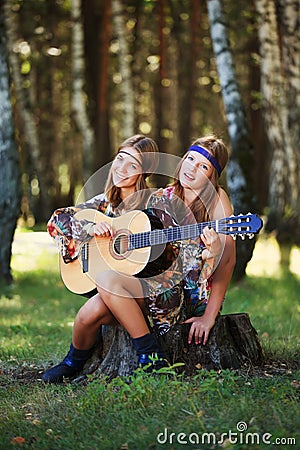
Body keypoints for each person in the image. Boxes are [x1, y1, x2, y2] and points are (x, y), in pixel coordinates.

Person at [42, 134, 164, 383]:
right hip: (114, 290)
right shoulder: (104, 203)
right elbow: (57, 221)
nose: (122, 169)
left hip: (149, 290)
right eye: (120, 159)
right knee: (88, 314)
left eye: (133, 165)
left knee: (108, 280)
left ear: (145, 172)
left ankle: (150, 355)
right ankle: (72, 362)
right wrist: (88, 229)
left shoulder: (155, 204)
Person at [144, 134, 236, 346]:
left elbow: (228, 261)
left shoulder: (216, 200)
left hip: (193, 298)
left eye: (203, 166)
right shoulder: (162, 197)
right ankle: (75, 359)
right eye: (191, 159)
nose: (192, 168)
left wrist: (209, 317)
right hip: (157, 288)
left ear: (212, 176)